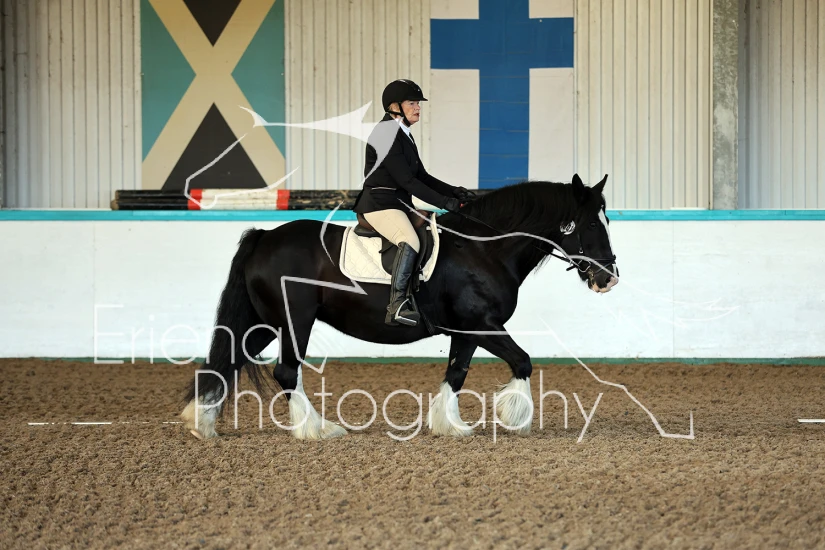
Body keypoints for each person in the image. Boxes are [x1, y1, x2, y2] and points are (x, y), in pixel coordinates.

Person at [352, 78, 477, 327]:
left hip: (397, 204)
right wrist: (446, 203)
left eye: (418, 103)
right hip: (380, 204)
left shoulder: (403, 134)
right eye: (412, 103)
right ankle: (397, 304)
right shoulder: (385, 133)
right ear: (394, 106)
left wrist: (455, 193)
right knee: (409, 240)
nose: (418, 107)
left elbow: (422, 176)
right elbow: (407, 181)